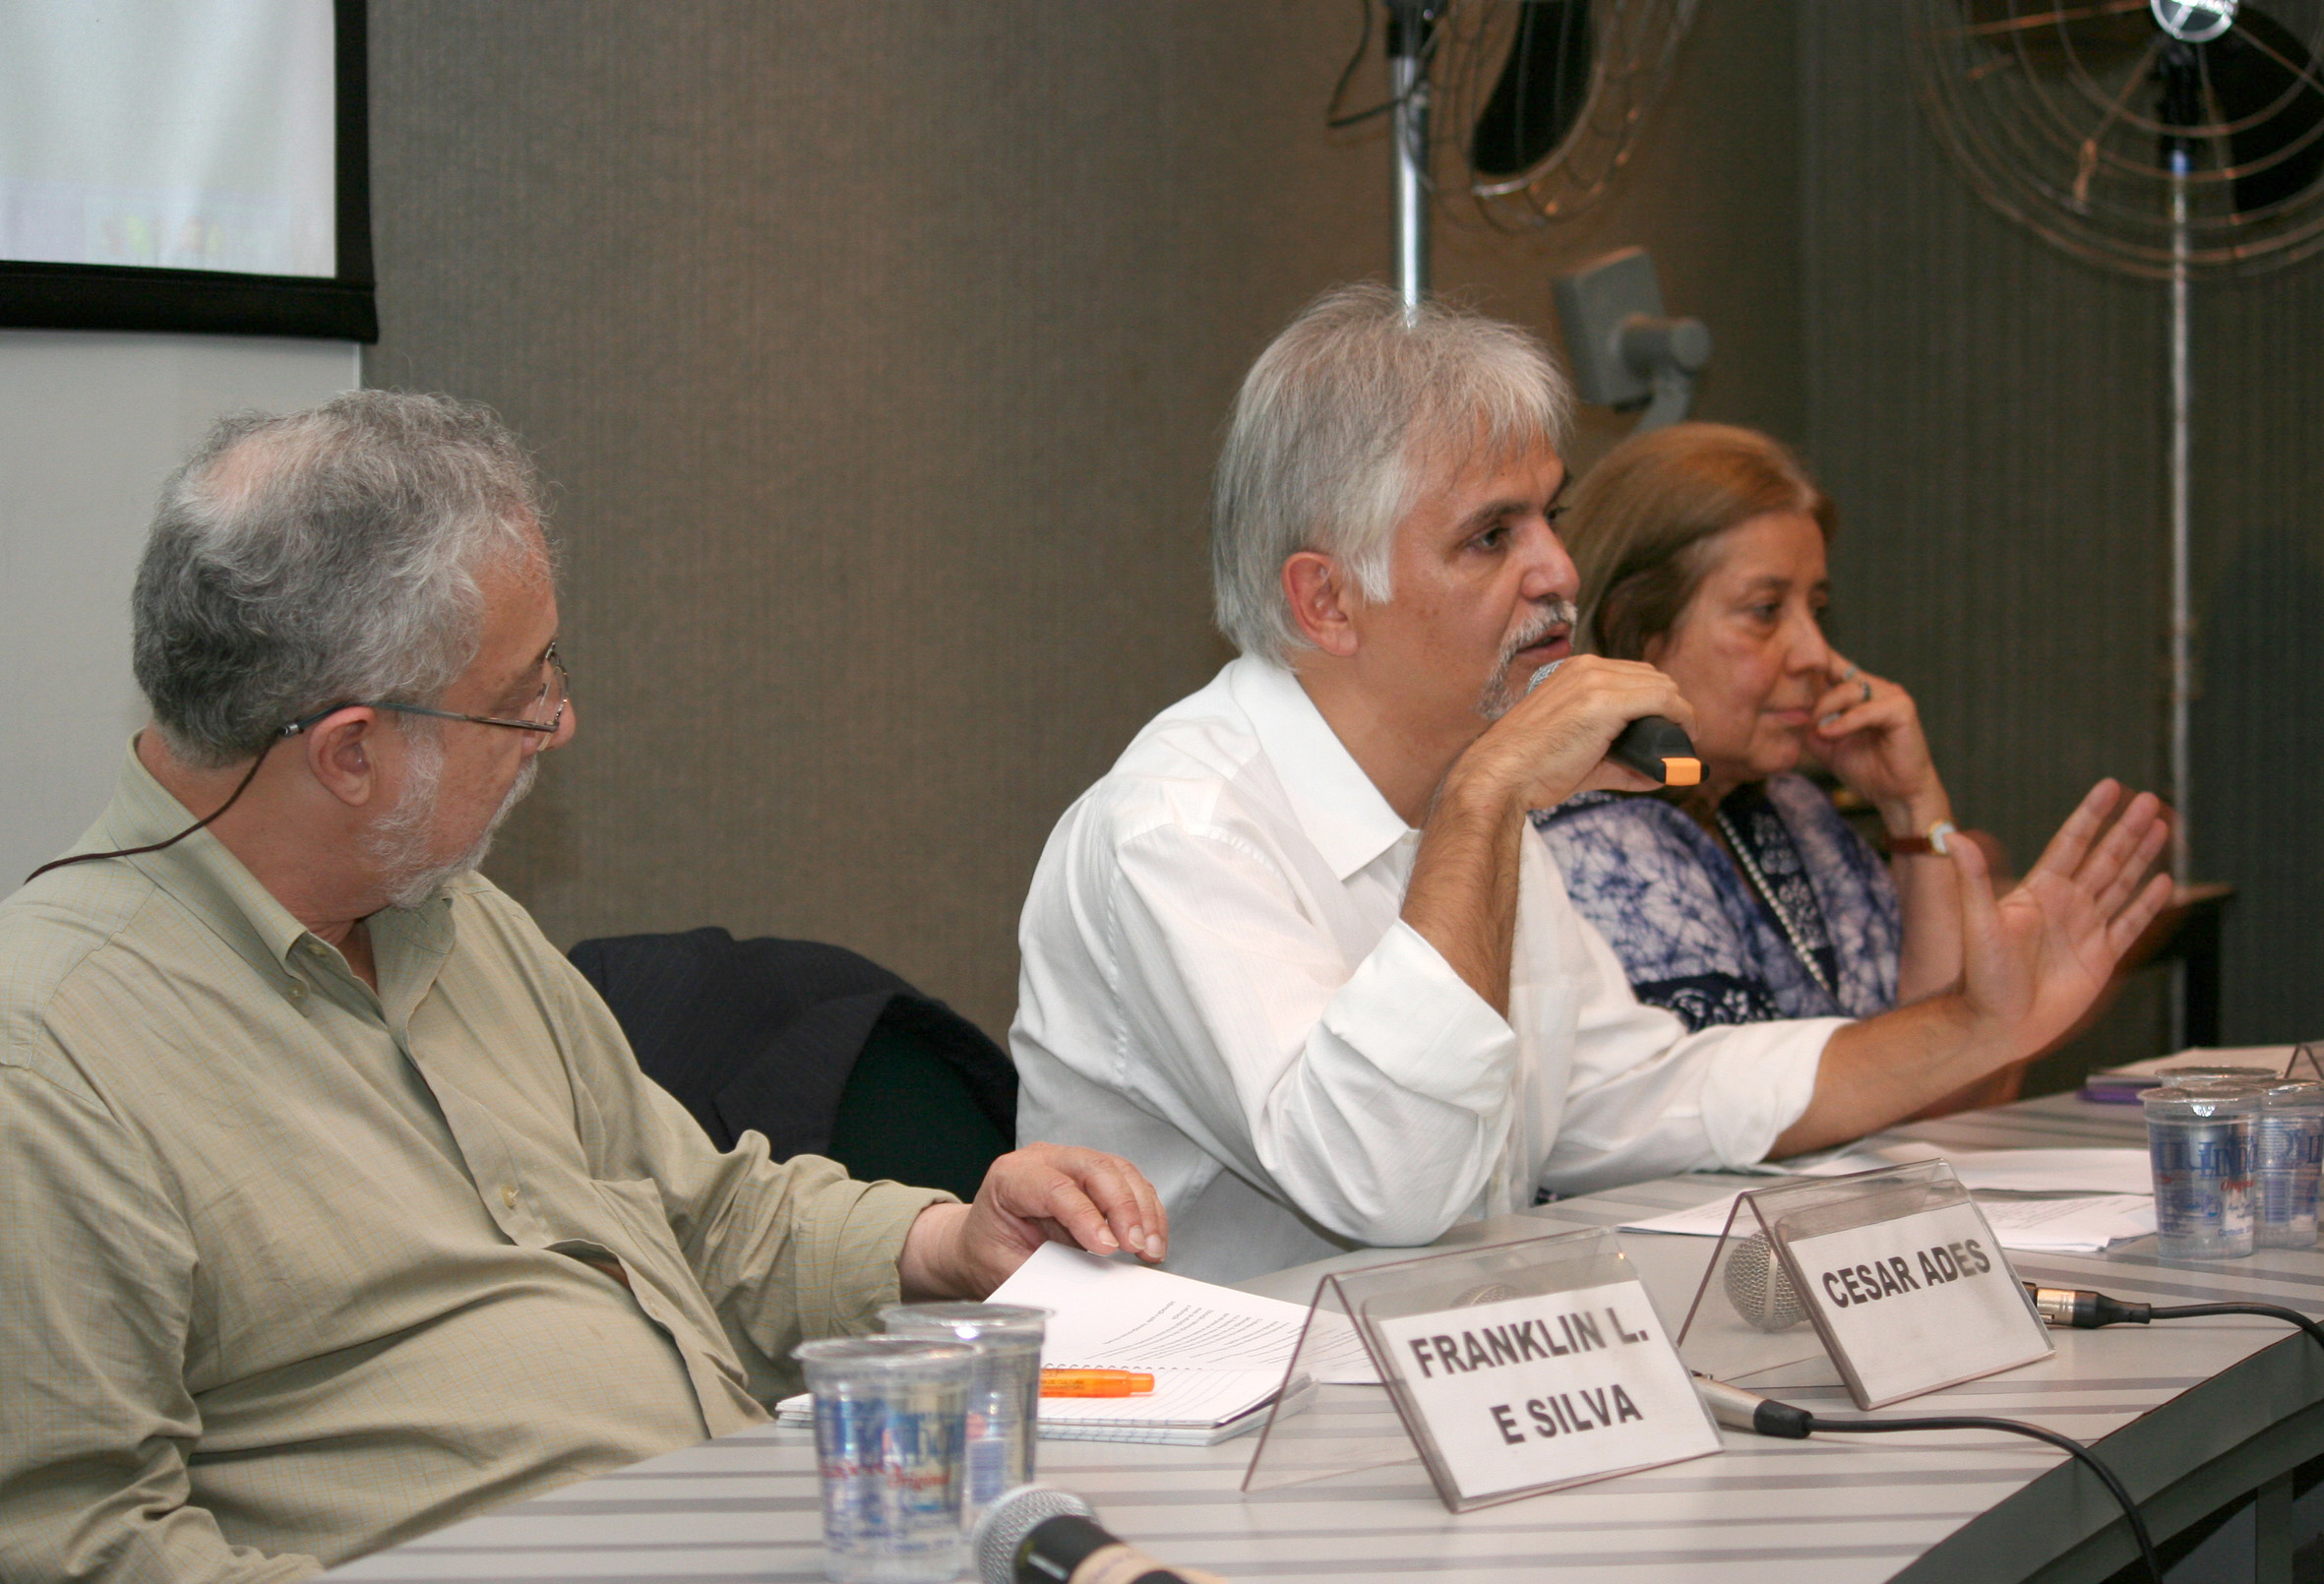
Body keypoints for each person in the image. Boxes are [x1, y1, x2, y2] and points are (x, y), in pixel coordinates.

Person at [0, 393, 1168, 1582]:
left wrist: (946, 1242)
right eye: (516, 697)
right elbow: (80, 1549)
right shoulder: (51, 1054)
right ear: (351, 751)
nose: (560, 721)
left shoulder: (453, 919)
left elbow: (707, 1215)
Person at [1011, 284, 2169, 1285]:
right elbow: (1384, 1182)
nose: (1559, 571)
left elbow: (1648, 1095)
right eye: (1489, 536)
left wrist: (1978, 1026)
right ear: (1325, 601)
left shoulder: (1472, 802)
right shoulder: (1178, 833)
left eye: (1548, 517)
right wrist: (1487, 799)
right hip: (1216, 1480)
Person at [1532, 423, 1959, 1035]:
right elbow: (1759, 1123)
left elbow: (1947, 1067)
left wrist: (1913, 806)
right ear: (1637, 630)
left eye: (1815, 611)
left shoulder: (1792, 810)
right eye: (1765, 612)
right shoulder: (1591, 836)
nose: (1814, 654)